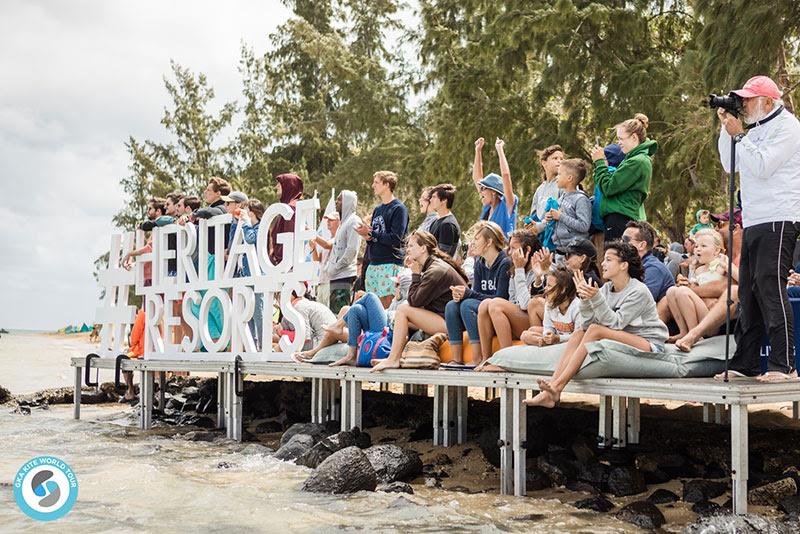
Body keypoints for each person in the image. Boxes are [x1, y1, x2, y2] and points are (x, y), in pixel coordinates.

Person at [716, 75, 800, 381]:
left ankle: (784, 365)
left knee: (770, 287)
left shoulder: (789, 127)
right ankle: (746, 362)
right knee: (748, 292)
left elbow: (764, 166)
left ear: (767, 101)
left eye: (748, 100)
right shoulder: (755, 130)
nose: (744, 105)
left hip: (779, 217)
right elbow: (730, 164)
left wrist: (740, 136)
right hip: (753, 219)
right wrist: (727, 130)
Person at [525, 241, 668, 408]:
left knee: (595, 330)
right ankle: (551, 389)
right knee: (580, 332)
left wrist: (596, 299)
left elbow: (616, 324)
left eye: (608, 259)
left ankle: (557, 388)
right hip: (626, 337)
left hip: (649, 343)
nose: (602, 264)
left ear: (624, 265)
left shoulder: (638, 291)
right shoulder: (607, 288)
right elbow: (585, 325)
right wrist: (585, 300)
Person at [370, 231, 469, 372]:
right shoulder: (431, 266)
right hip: (444, 318)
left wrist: (415, 274)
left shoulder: (435, 270)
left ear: (423, 248)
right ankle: (395, 356)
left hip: (454, 324)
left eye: (411, 246)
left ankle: (393, 359)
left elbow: (414, 301)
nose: (407, 249)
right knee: (401, 318)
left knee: (403, 310)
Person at [444, 221, 511, 367]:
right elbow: (477, 293)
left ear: (489, 242)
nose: (473, 243)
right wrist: (462, 294)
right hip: (482, 308)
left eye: (477, 239)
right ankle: (456, 359)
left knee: (467, 304)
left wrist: (468, 295)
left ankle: (477, 357)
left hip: (497, 312)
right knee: (451, 305)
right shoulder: (480, 262)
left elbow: (501, 299)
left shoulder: (504, 262)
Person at [476, 229, 542, 367]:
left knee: (495, 304)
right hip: (520, 321)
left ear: (527, 249)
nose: (509, 252)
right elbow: (513, 300)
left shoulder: (540, 269)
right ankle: (486, 359)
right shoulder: (513, 269)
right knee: (485, 304)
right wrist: (517, 270)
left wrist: (519, 270)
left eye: (513, 248)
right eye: (509, 248)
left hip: (536, 325)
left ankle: (506, 361)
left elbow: (525, 305)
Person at [591, 113, 657, 240]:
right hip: (618, 218)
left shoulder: (637, 161)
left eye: (621, 139)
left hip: (620, 219)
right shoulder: (633, 160)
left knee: (616, 258)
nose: (619, 143)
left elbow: (608, 188)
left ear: (633, 137)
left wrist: (599, 163)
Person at [665, 229, 731, 343]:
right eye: (696, 246)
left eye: (703, 246)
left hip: (712, 320)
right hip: (701, 313)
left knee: (683, 291)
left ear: (716, 251)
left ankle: (693, 334)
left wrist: (725, 263)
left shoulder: (721, 264)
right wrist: (688, 279)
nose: (698, 249)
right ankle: (683, 331)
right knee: (671, 291)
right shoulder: (699, 270)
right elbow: (693, 288)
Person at [355, 171, 409, 309]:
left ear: (387, 184)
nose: (373, 185)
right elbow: (374, 237)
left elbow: (396, 238)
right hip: (374, 264)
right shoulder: (377, 210)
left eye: (377, 182)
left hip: (390, 263)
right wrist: (366, 235)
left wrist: (373, 233)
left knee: (387, 306)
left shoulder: (399, 209)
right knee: (374, 307)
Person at [622, 221, 674, 321]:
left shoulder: (653, 269)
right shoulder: (634, 266)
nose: (620, 244)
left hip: (653, 329)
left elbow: (639, 305)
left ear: (642, 245)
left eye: (625, 240)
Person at [520, 266, 581, 347]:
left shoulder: (578, 307)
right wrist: (547, 335)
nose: (545, 288)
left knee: (530, 335)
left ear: (562, 289)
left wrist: (557, 338)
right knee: (526, 335)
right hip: (556, 337)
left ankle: (542, 344)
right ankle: (542, 342)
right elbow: (547, 326)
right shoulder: (549, 304)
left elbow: (579, 336)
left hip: (572, 343)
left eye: (549, 285)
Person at [473, 137, 518, 237]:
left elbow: (506, 176)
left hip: (502, 252)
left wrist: (500, 150)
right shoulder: (487, 208)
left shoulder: (506, 205)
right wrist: (478, 150)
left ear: (493, 192)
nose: (480, 192)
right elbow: (477, 177)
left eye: (483, 188)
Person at [324, 191, 361, 314]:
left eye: (340, 200)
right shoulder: (344, 223)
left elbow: (351, 250)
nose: (336, 202)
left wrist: (336, 267)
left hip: (344, 275)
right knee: (335, 313)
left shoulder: (353, 221)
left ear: (348, 202)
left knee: (341, 313)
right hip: (337, 276)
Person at [239, 199, 265, 349]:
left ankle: (262, 345)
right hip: (246, 274)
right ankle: (252, 346)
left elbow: (250, 239)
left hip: (257, 274)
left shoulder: (260, 226)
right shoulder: (245, 226)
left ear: (253, 212)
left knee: (257, 312)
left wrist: (246, 223)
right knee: (247, 312)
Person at [549, 158, 593, 249]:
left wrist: (560, 216)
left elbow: (584, 226)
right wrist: (550, 217)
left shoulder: (581, 199)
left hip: (575, 250)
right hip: (560, 248)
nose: (557, 177)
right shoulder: (562, 197)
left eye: (559, 174)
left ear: (569, 178)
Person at [528, 145, 565, 235]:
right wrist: (529, 225)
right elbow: (533, 215)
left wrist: (540, 226)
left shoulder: (563, 184)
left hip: (557, 237)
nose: (559, 161)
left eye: (561, 158)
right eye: (555, 158)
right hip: (541, 237)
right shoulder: (539, 189)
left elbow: (563, 212)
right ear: (544, 163)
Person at [269, 174, 303, 265]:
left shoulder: (291, 208)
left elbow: (289, 237)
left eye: (280, 184)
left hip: (286, 267)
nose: (276, 187)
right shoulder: (288, 207)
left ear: (288, 186)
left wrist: (278, 260)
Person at [428, 183, 461, 257]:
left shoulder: (448, 225)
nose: (430, 200)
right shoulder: (436, 221)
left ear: (444, 200)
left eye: (434, 197)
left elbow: (443, 256)